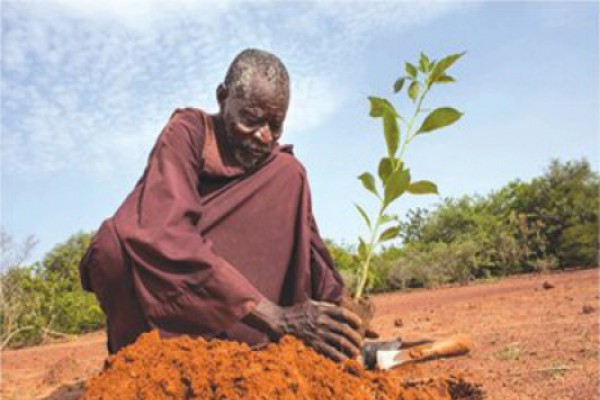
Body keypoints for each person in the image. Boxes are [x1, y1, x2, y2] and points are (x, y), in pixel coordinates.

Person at [79, 48, 368, 362]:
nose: (263, 136)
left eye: (276, 125)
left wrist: (343, 319)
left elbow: (309, 245)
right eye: (251, 120)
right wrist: (276, 316)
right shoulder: (187, 133)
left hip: (235, 314)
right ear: (222, 97)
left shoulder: (277, 167)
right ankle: (138, 358)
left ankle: (262, 347)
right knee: (113, 245)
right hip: (168, 296)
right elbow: (164, 231)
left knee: (289, 173)